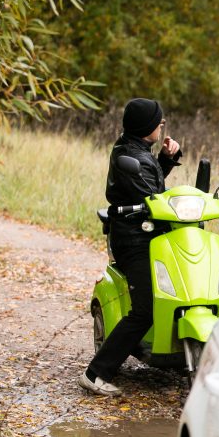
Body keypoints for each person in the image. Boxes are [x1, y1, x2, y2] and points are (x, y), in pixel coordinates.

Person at [79, 98, 182, 397]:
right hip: (134, 240)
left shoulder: (137, 150)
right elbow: (152, 198)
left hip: (145, 236)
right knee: (144, 310)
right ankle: (95, 373)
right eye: (158, 122)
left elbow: (150, 186)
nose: (162, 126)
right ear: (145, 126)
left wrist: (165, 159)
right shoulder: (128, 156)